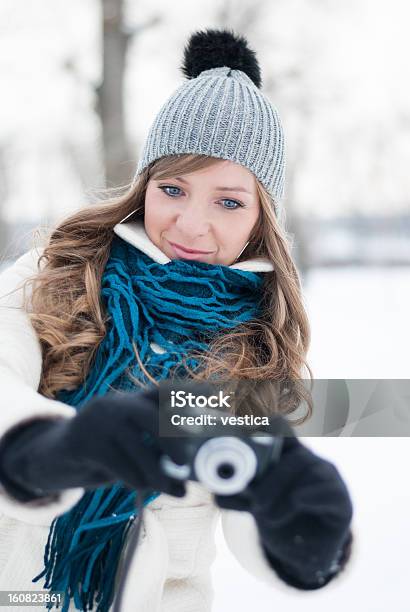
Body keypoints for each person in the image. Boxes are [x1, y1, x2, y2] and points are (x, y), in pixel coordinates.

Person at [0, 28, 354, 612]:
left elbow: (245, 511)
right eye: (173, 188)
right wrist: (56, 447)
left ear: (262, 217)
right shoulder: (57, 272)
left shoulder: (259, 340)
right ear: (144, 186)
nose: (191, 225)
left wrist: (304, 538)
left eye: (229, 201)